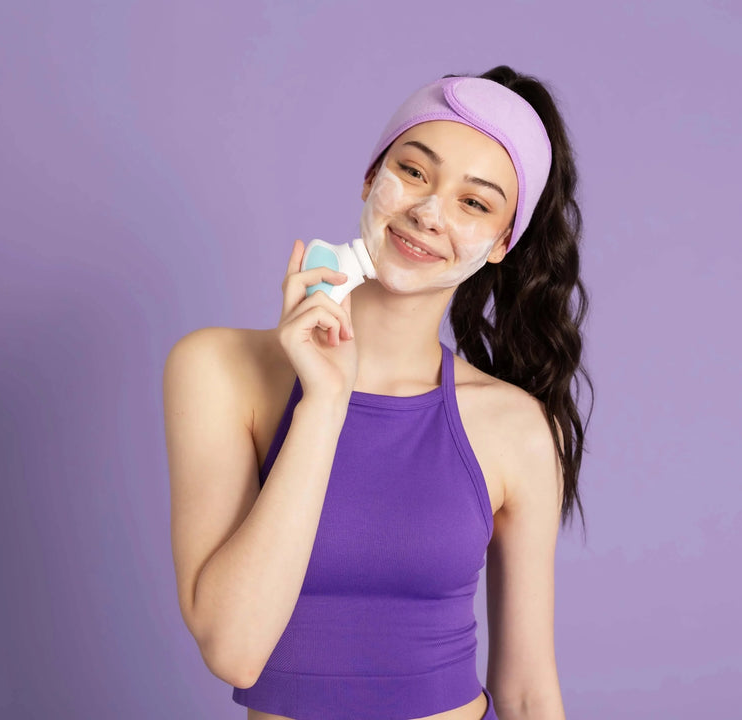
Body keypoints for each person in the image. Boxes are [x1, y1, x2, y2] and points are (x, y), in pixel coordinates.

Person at [163, 65, 592, 720]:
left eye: (474, 203)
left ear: (503, 242)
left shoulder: (517, 427)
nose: (428, 211)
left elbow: (529, 692)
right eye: (414, 171)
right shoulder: (218, 371)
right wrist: (324, 402)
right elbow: (234, 649)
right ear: (371, 178)